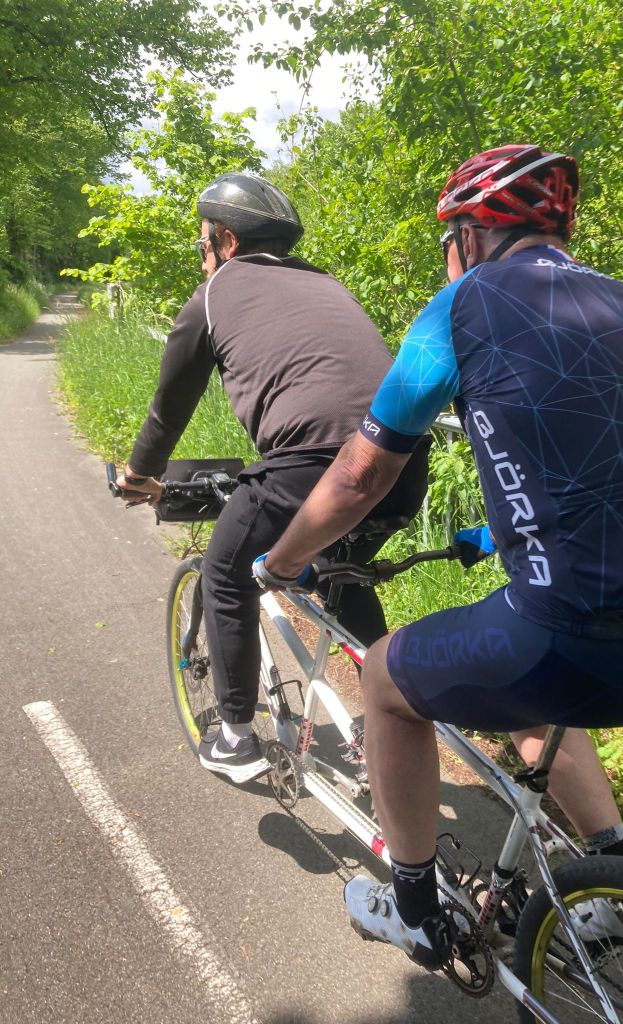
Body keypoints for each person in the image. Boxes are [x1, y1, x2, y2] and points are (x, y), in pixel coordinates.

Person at [255, 144, 623, 967]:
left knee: (386, 680)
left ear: (470, 235)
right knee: (525, 688)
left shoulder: (465, 303)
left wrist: (280, 560)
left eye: (447, 241)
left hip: (576, 641)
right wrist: (500, 535)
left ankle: (414, 910)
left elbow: (361, 474)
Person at [116, 171, 430, 783]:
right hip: (402, 461)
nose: (202, 257)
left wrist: (138, 474)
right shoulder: (325, 282)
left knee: (225, 574)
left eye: (202, 243)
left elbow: (169, 407)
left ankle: (235, 737)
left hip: (311, 466)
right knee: (341, 573)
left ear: (225, 241)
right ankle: (385, 720)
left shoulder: (212, 296)